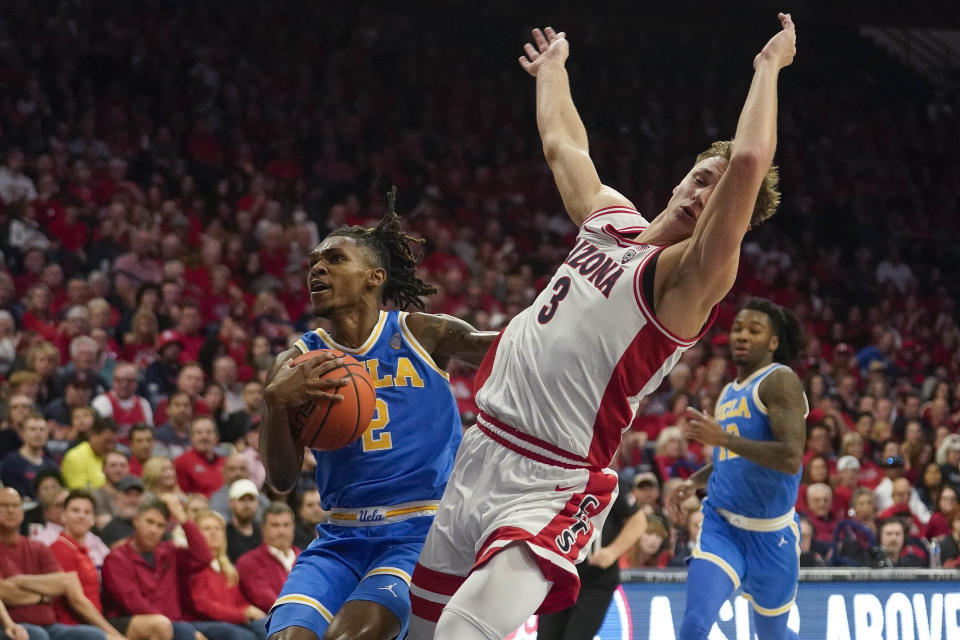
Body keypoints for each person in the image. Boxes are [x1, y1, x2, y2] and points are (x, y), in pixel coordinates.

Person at [409, 14, 795, 639]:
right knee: (421, 633)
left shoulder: (685, 282)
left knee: (462, 632)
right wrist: (553, 71)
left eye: (719, 196)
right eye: (701, 178)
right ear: (681, 175)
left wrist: (768, 68)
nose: (703, 196)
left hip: (552, 480)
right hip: (479, 449)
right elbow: (566, 147)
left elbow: (749, 158)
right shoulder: (611, 220)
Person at [262, 190, 494, 640]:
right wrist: (275, 402)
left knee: (350, 637)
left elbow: (511, 349)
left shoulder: (423, 333)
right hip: (339, 536)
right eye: (313, 263)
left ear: (374, 276)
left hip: (419, 531)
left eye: (333, 259)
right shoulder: (295, 363)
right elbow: (282, 479)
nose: (317, 269)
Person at [663, 298, 807, 640]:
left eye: (754, 330)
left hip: (773, 535)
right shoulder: (729, 390)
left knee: (773, 636)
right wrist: (694, 481)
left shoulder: (780, 380)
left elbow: (790, 457)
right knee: (694, 627)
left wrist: (724, 438)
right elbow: (733, 456)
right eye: (738, 328)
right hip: (721, 526)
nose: (742, 336)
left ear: (773, 342)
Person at [49, 490, 172, 639]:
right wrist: (114, 634)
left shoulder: (84, 550)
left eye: (87, 512)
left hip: (97, 622)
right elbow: (77, 601)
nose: (81, 516)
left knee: (161, 626)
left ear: (92, 519)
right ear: (63, 515)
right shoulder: (60, 549)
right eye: (75, 510)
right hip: (76, 626)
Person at [101, 494, 225, 640]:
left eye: (160, 525)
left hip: (174, 622)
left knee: (231, 633)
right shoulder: (117, 558)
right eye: (149, 522)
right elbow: (134, 604)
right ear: (136, 521)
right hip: (134, 621)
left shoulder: (169, 552)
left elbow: (203, 557)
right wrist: (173, 625)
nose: (154, 530)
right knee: (182, 631)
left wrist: (182, 517)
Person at [0, 488, 119, 640]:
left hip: (50, 625)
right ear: (63, 516)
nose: (10, 510)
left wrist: (19, 580)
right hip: (12, 625)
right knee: (38, 635)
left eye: (15, 505)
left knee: (93, 636)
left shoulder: (38, 548)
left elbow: (63, 583)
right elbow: (3, 591)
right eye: (3, 505)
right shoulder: (60, 547)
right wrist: (43, 596)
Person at [536, 479, 646, 640]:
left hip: (595, 580)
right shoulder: (556, 479)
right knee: (546, 636)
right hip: (559, 577)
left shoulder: (608, 480)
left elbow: (638, 520)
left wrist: (613, 551)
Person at [185, 510, 267, 640]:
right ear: (196, 535)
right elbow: (202, 605)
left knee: (269, 625)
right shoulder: (193, 566)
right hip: (202, 621)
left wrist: (249, 610)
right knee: (242, 636)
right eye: (206, 529)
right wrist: (241, 615)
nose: (214, 532)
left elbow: (238, 601)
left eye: (218, 529)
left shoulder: (226, 568)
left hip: (230, 620)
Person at [236, 503, 300, 616]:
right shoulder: (249, 562)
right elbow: (265, 599)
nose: (282, 531)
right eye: (275, 525)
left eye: (286, 525)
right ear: (263, 528)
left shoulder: (305, 558)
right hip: (274, 623)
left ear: (293, 527)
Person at [0, 414, 58, 499]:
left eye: (42, 429)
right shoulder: (11, 463)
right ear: (22, 433)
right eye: (32, 429)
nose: (38, 433)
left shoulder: (52, 466)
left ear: (47, 434)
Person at [173, 416, 225, 498]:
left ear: (216, 437)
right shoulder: (181, 462)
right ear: (191, 437)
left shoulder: (225, 461)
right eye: (199, 432)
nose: (204, 436)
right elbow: (181, 495)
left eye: (209, 432)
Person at [60, 419, 119, 490]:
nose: (110, 447)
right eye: (106, 441)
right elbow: (79, 493)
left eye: (114, 442)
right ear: (92, 434)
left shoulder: (114, 457)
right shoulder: (75, 457)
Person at [225, 480, 262, 563]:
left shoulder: (264, 531)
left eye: (251, 499)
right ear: (231, 503)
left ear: (257, 502)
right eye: (242, 500)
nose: (247, 505)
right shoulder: (224, 534)